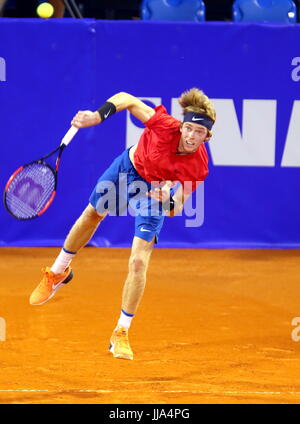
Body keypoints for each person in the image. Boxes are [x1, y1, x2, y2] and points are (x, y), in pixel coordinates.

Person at [29, 88, 216, 360]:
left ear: (207, 136)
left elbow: (178, 207)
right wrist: (96, 116)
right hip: (126, 170)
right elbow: (127, 99)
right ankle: (59, 271)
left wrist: (168, 201)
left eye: (198, 133)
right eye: (188, 128)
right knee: (91, 216)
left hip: (153, 192)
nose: (190, 136)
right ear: (182, 126)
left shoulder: (198, 166)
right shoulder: (165, 126)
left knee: (139, 261)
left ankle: (121, 332)